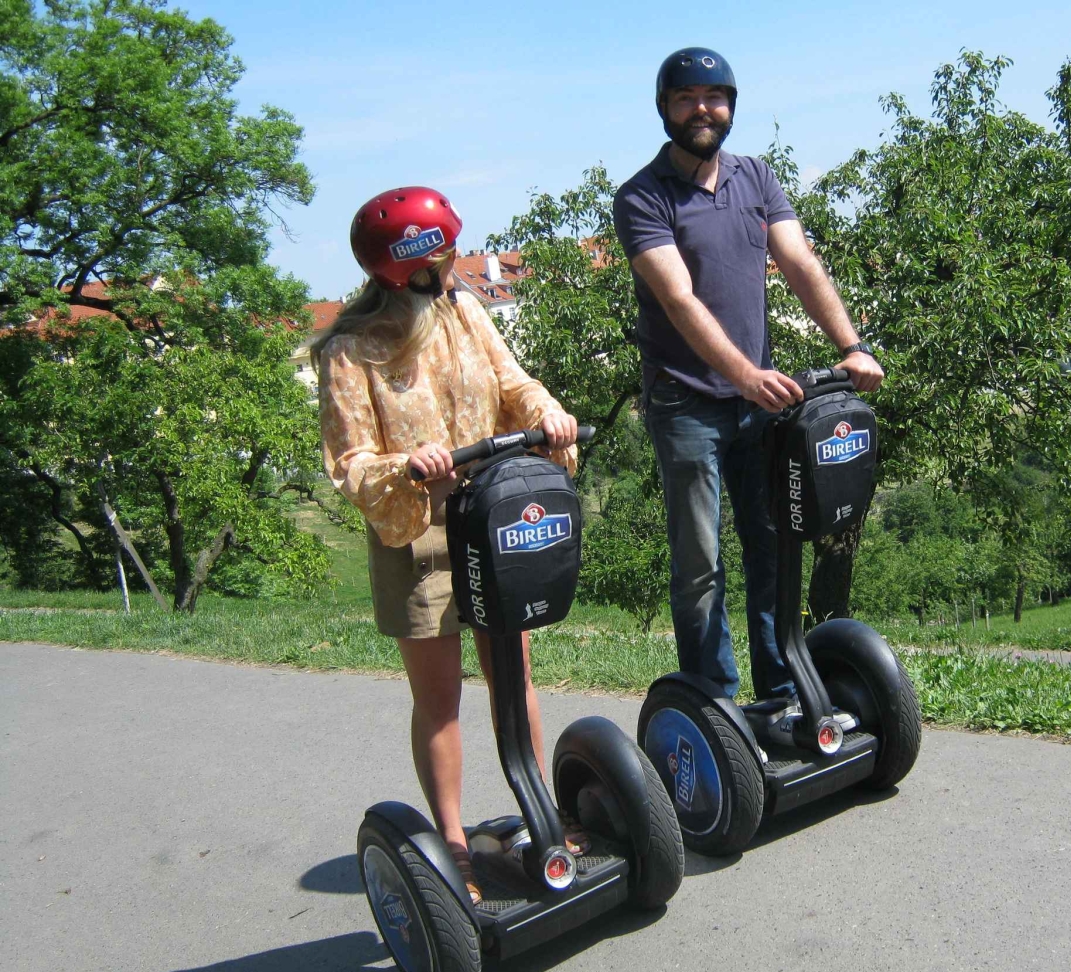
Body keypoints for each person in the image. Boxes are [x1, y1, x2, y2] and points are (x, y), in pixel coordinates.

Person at [314, 186, 582, 904]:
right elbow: (349, 461)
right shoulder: (349, 349)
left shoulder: (463, 310)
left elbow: (511, 380)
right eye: (437, 254)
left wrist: (548, 414)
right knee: (440, 699)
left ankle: (542, 814)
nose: (452, 262)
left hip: (492, 513)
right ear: (401, 266)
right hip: (416, 528)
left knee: (513, 675)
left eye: (451, 248)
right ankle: (455, 847)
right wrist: (407, 464)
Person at [612, 48, 884, 703]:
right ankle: (715, 710)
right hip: (686, 406)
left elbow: (799, 262)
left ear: (731, 106)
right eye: (686, 98)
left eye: (715, 97)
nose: (702, 109)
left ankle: (782, 689)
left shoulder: (758, 177)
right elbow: (678, 299)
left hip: (756, 407)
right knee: (701, 565)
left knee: (775, 546)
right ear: (664, 109)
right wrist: (744, 373)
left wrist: (851, 343)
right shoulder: (641, 197)